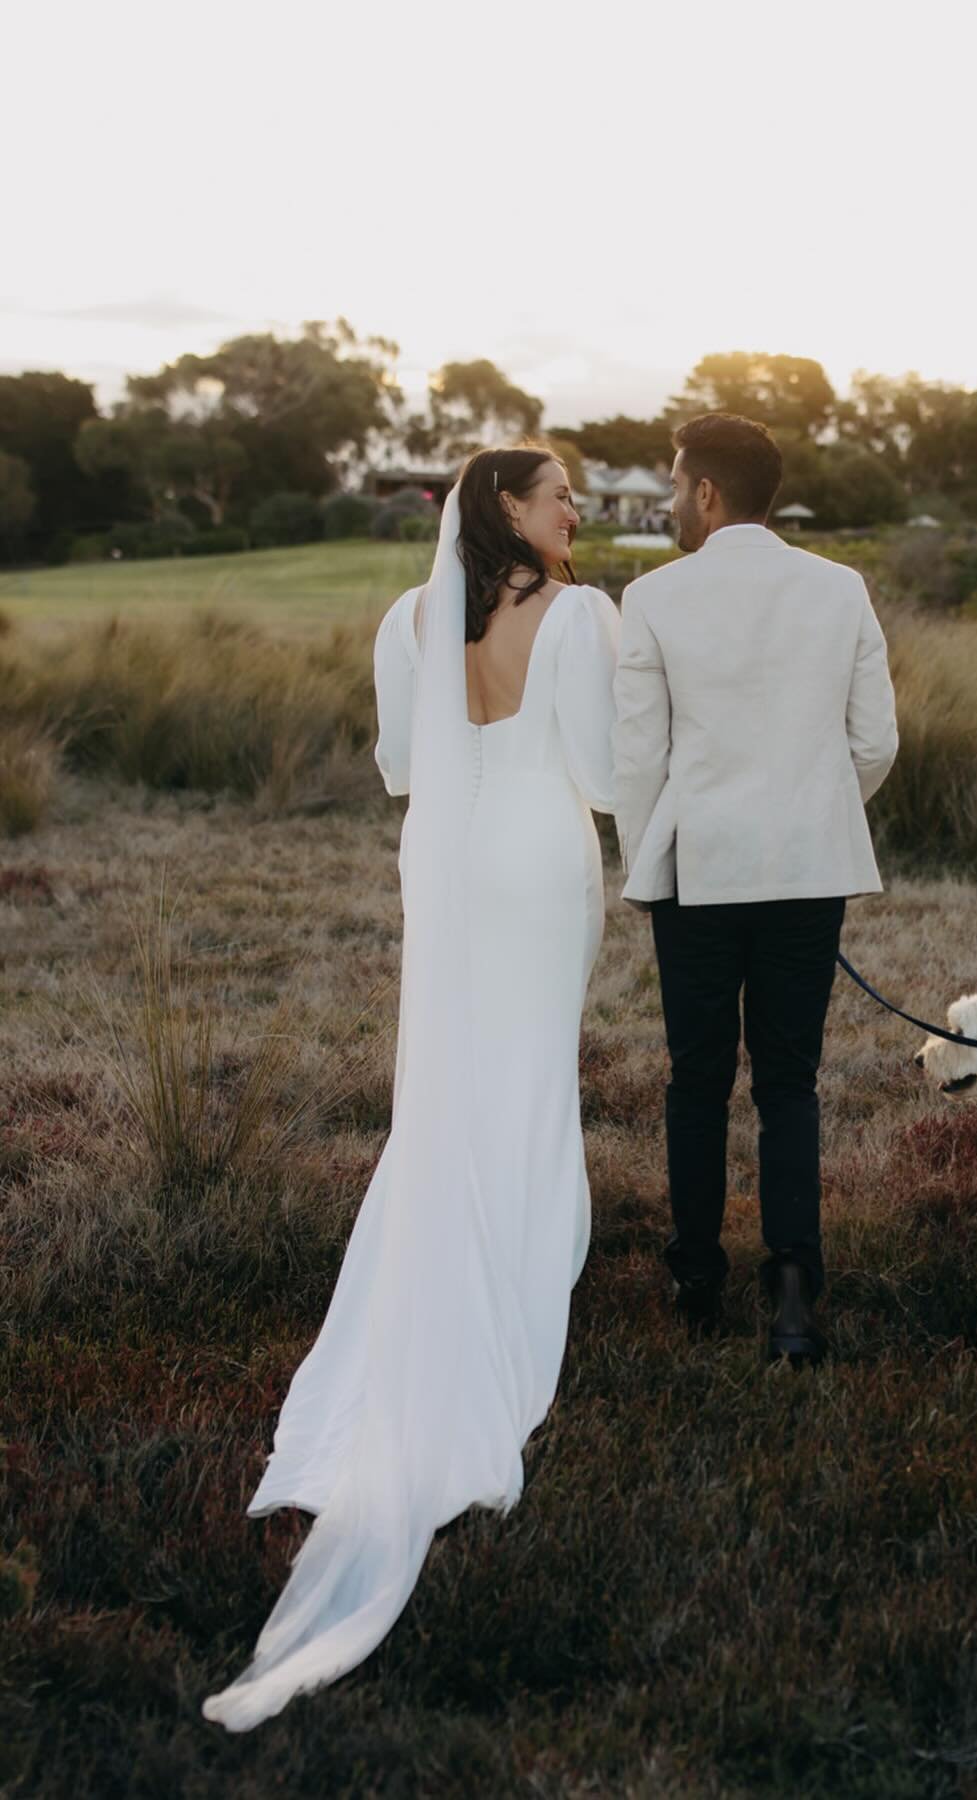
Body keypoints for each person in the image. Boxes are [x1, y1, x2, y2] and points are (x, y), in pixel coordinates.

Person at [202, 446, 620, 1731]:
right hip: (545, 856)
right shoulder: (586, 616)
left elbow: (400, 764)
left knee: (445, 1089)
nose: (578, 512)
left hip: (443, 861)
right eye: (560, 495)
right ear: (505, 505)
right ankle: (514, 1292)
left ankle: (446, 1271)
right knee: (531, 1080)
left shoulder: (408, 617)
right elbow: (604, 775)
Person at [612, 413, 899, 1364]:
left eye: (672, 483)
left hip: (697, 873)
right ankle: (791, 1296)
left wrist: (648, 861)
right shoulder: (839, 588)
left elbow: (638, 758)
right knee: (788, 1083)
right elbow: (875, 745)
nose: (666, 500)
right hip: (806, 872)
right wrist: (812, 814)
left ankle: (696, 1278)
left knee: (697, 1080)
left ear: (705, 493)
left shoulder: (653, 598)